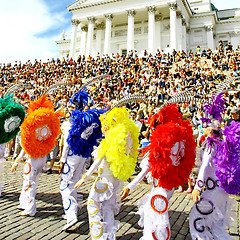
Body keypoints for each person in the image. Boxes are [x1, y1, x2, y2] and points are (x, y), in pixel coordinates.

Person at [121, 104, 196, 239]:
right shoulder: (180, 140)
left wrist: (129, 187)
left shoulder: (162, 143)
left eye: (153, 128)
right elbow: (187, 158)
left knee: (159, 217)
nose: (151, 131)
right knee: (151, 212)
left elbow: (146, 169)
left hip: (161, 186)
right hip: (169, 185)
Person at [74, 107, 139, 239]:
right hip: (115, 180)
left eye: (104, 126)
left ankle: (97, 235)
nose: (102, 129)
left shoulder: (109, 143)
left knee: (92, 203)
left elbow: (96, 163)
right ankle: (110, 236)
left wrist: (84, 178)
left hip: (103, 180)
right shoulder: (123, 141)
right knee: (108, 208)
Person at [189, 93, 238, 240]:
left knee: (195, 220)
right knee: (218, 228)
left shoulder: (211, 145)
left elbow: (204, 166)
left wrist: (198, 187)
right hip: (221, 190)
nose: (202, 130)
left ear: (210, 129)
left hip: (213, 191)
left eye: (204, 127)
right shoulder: (221, 144)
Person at [59, 90, 103, 231]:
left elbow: (68, 141)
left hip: (72, 155)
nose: (69, 109)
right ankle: (72, 211)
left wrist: (62, 159)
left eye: (70, 106)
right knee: (73, 183)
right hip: (83, 155)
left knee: (65, 185)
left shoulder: (73, 120)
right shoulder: (90, 118)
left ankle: (71, 216)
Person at [11, 95, 61, 216]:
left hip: (33, 158)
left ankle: (30, 208)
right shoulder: (47, 126)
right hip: (42, 157)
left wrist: (17, 161)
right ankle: (23, 202)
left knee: (29, 182)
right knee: (30, 181)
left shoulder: (32, 127)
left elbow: (25, 146)